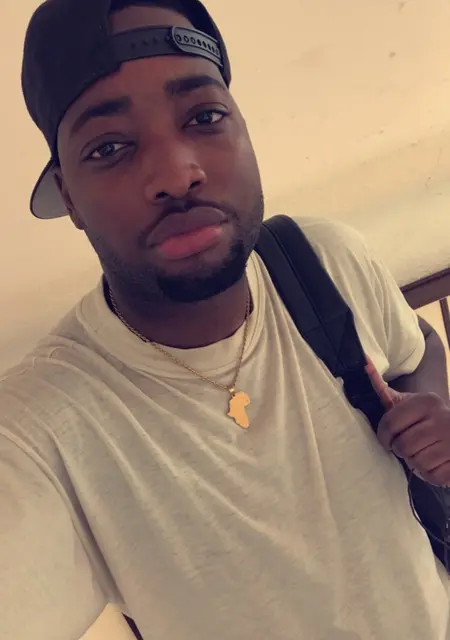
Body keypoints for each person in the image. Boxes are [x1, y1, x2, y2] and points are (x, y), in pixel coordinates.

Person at [2, 0, 450, 638]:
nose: (176, 174)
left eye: (204, 116)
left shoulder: (326, 260)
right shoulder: (38, 432)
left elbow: (417, 348)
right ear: (69, 195)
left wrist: (432, 414)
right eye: (110, 147)